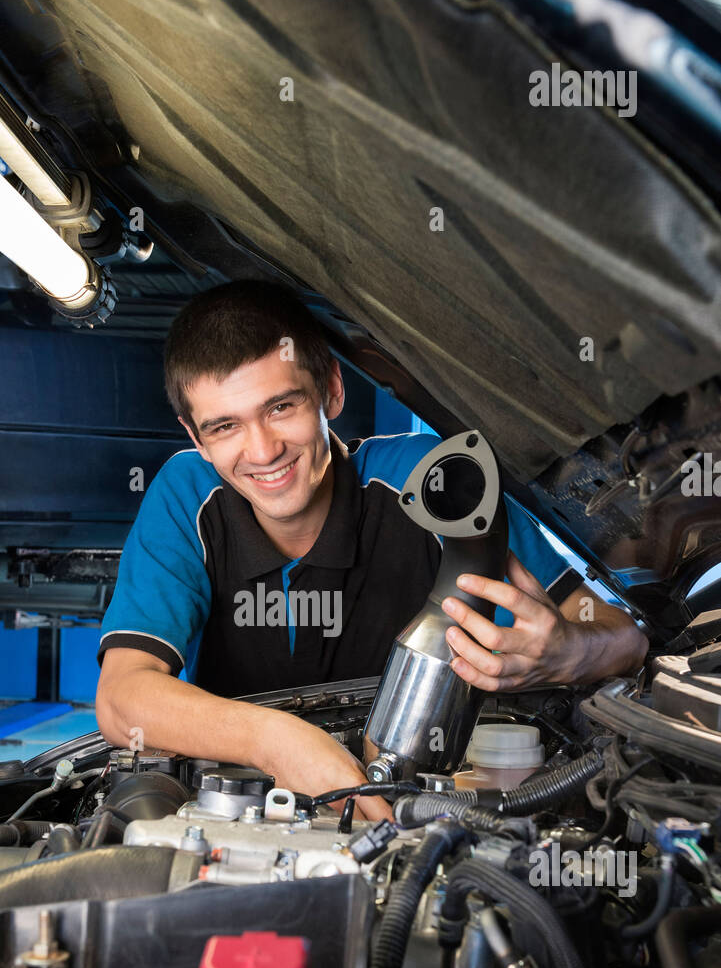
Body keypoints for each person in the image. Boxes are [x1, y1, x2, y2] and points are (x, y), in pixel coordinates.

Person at [95, 281, 647, 820]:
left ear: (332, 390)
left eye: (281, 406)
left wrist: (572, 651)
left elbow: (624, 636)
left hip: (433, 813)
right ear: (195, 438)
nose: (262, 450)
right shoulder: (186, 497)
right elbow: (122, 697)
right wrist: (279, 742)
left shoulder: (431, 481)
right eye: (225, 426)